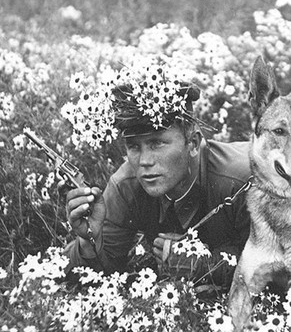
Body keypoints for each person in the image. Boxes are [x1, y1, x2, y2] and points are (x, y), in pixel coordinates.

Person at [64, 74, 251, 285]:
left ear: (192, 143)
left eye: (157, 143)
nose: (144, 161)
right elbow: (99, 273)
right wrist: (90, 242)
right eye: (134, 146)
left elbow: (283, 269)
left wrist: (205, 266)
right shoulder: (126, 185)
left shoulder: (244, 181)